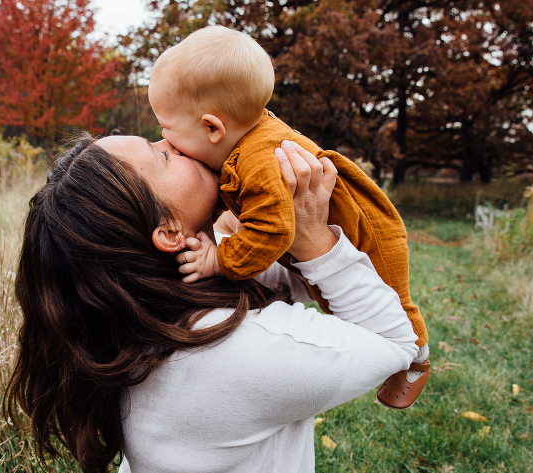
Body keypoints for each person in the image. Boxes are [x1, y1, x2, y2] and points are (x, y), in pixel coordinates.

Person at [5, 133, 420, 473]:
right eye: (164, 155)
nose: (174, 140)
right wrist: (313, 237)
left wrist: (262, 221)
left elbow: (282, 282)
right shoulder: (242, 351)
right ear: (168, 231)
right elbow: (395, 340)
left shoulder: (132, 315)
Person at [147, 26, 429, 409]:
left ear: (213, 128)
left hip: (367, 231)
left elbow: (273, 228)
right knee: (327, 292)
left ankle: (416, 359)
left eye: (166, 127)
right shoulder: (237, 145)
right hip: (329, 233)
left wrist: (219, 259)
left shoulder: (260, 159)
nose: (163, 137)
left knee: (394, 296)